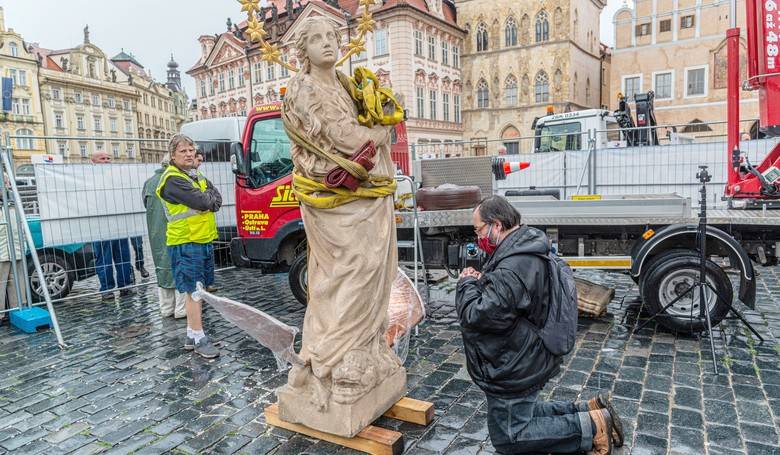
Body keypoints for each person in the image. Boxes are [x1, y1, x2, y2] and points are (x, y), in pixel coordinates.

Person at [456, 195, 624, 455]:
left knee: (509, 437)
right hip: (527, 352)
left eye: (479, 229)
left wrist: (467, 283)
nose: (477, 237)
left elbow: (478, 315)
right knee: (524, 413)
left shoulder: (513, 266)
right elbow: (507, 300)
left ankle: (591, 426)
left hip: (515, 361)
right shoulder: (525, 246)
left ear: (496, 225)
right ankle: (588, 411)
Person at [156, 134, 222, 359]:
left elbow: (216, 198)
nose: (188, 154)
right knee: (194, 291)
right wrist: (208, 201)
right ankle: (198, 337)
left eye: (191, 150)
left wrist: (208, 200)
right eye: (183, 151)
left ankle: (191, 333)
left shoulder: (194, 176)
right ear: (172, 155)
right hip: (185, 242)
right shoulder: (173, 179)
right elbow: (205, 202)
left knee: (197, 290)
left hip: (200, 239)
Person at [142, 161, 185, 319]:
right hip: (177, 230)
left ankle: (166, 308)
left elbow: (146, 204)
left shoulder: (149, 182)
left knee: (162, 266)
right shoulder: (176, 179)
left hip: (156, 231)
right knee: (180, 266)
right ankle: (181, 308)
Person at [90, 151, 134, 300]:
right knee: (104, 259)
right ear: (93, 162)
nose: (107, 161)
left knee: (123, 257)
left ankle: (125, 286)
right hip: (100, 226)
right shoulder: (89, 179)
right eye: (103, 159)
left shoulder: (117, 178)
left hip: (119, 224)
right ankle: (106, 289)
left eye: (109, 158)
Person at [0, 174, 26, 322]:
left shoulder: (13, 200)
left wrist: (24, 245)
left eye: (6, 181)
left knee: (17, 283)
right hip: (2, 250)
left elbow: (20, 224)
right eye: (3, 182)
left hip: (16, 248)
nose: (6, 184)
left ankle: (18, 312)